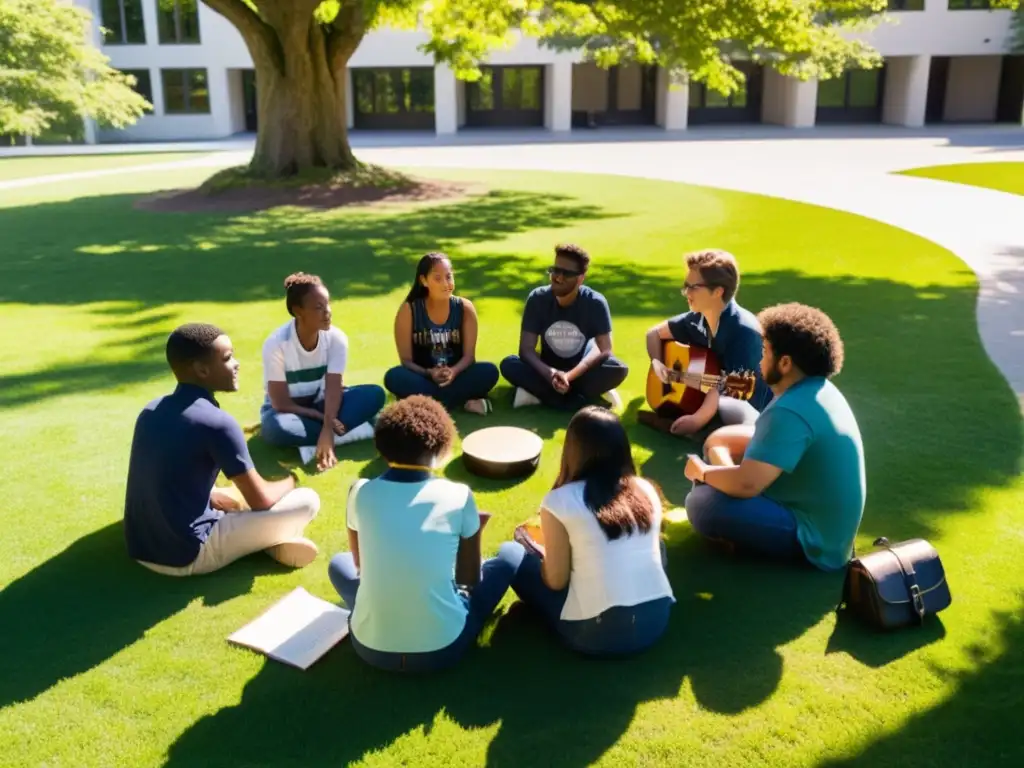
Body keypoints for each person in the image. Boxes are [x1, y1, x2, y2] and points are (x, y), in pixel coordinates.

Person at [327, 395, 522, 673]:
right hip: (443, 649)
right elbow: (469, 579)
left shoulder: (360, 492)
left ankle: (385, 613)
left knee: (339, 564)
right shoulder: (458, 494)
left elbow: (359, 566)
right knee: (511, 554)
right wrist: (474, 532)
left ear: (382, 449)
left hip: (369, 648)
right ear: (442, 447)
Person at [123, 323, 322, 576]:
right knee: (307, 501)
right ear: (202, 370)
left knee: (229, 496)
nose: (236, 363)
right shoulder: (218, 423)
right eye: (227, 358)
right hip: (187, 555)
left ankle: (266, 541)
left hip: (142, 546)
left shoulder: (150, 410)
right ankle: (269, 543)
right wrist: (289, 481)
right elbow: (260, 500)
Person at [682, 303, 866, 572]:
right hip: (830, 529)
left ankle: (738, 535)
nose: (760, 360)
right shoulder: (818, 390)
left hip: (814, 540)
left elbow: (747, 485)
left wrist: (704, 473)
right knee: (720, 440)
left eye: (765, 351)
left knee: (700, 504)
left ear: (785, 362)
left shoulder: (789, 410)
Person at [505, 406, 675, 656]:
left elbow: (555, 580)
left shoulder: (559, 500)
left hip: (594, 636)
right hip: (656, 623)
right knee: (656, 546)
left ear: (573, 450)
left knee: (511, 553)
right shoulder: (646, 489)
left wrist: (542, 555)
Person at [639, 249, 772, 442]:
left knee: (727, 406)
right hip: (716, 396)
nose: (686, 293)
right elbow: (653, 334)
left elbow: (735, 387)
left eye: (693, 287)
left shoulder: (744, 332)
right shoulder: (697, 318)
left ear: (717, 292)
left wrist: (698, 418)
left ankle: (707, 432)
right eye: (686, 286)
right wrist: (659, 365)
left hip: (751, 408)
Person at [260, 272, 387, 472]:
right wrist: (321, 419)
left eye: (328, 304)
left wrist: (328, 428)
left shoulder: (336, 339)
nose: (327, 312)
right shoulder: (277, 344)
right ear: (298, 311)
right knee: (276, 430)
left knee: (374, 394)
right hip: (287, 413)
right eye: (318, 308)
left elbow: (334, 389)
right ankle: (360, 430)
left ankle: (317, 441)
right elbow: (280, 403)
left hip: (325, 405)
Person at [500, 243, 628, 411]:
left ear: (580, 278)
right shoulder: (537, 298)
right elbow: (526, 349)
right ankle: (579, 399)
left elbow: (605, 348)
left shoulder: (595, 302)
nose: (558, 277)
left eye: (566, 273)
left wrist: (569, 376)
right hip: (546, 370)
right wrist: (551, 374)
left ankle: (545, 396)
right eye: (555, 270)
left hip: (581, 371)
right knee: (509, 364)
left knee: (618, 369)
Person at [383, 252, 500, 415]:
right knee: (394, 376)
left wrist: (453, 372)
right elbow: (406, 361)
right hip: (424, 378)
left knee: (489, 371)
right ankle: (460, 402)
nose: (446, 283)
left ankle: (426, 404)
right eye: (438, 278)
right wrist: (428, 373)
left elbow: (469, 357)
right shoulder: (409, 310)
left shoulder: (465, 308)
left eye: (449, 277)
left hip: (456, 376)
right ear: (424, 281)